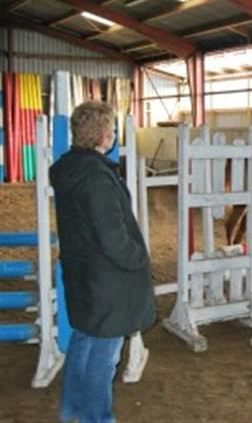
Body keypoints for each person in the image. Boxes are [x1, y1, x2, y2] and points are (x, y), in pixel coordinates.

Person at [50, 101, 155, 423]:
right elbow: (113, 237)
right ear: (103, 134)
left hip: (84, 273)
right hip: (107, 280)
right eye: (111, 127)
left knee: (83, 342)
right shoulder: (95, 177)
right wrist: (140, 260)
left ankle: (72, 413)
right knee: (104, 357)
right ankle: (98, 418)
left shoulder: (70, 169)